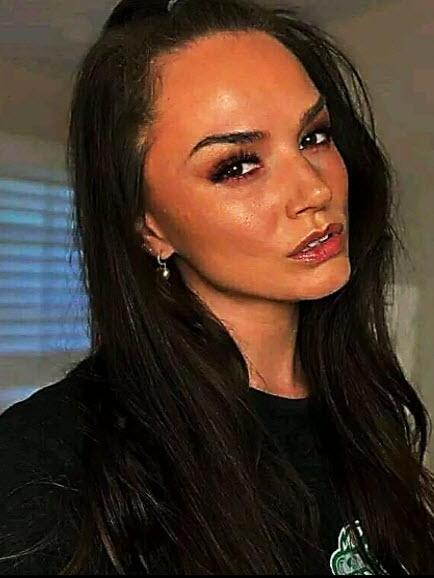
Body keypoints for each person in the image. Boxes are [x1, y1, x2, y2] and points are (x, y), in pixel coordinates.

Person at [1, 0, 433, 574]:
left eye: (314, 137)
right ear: (148, 226)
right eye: (237, 166)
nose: (314, 190)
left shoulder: (363, 405)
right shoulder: (43, 470)